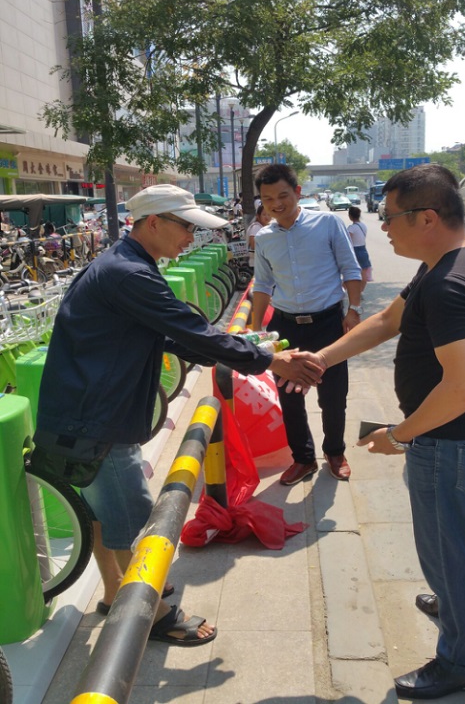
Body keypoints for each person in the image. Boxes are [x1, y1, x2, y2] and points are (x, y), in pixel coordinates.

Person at [31, 185, 323, 647]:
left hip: (87, 412)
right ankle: (153, 616)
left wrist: (245, 353)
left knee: (103, 511)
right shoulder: (129, 274)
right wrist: (270, 361)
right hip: (97, 419)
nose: (191, 237)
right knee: (135, 518)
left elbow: (168, 335)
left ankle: (114, 592)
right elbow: (189, 330)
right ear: (154, 223)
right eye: (186, 226)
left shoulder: (122, 265)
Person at [295, 164, 465, 699]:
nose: (381, 227)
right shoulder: (460, 261)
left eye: (389, 217)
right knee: (461, 545)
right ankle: (455, 604)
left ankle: (460, 662)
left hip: (453, 445)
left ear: (427, 217)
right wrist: (321, 359)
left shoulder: (451, 284)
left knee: (448, 553)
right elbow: (389, 321)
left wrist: (402, 435)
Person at [251, 163, 363, 485]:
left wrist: (353, 310)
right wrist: (257, 330)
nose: (276, 204)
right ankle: (303, 459)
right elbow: (262, 285)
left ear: (298, 192)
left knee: (333, 395)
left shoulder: (327, 223)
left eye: (282, 195)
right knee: (290, 396)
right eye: (268, 198)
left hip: (328, 324)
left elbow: (350, 268)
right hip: (286, 328)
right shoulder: (264, 238)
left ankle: (335, 452)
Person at [347, 205, 373, 293]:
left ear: (350, 216)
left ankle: (350, 291)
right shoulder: (363, 226)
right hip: (363, 250)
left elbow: (348, 241)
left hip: (354, 251)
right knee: (364, 272)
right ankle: (360, 291)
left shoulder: (351, 228)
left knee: (352, 273)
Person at [245, 204, 270, 268]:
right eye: (264, 214)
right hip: (256, 264)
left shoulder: (263, 227)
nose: (267, 217)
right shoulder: (256, 227)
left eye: (269, 214)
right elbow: (253, 245)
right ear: (258, 216)